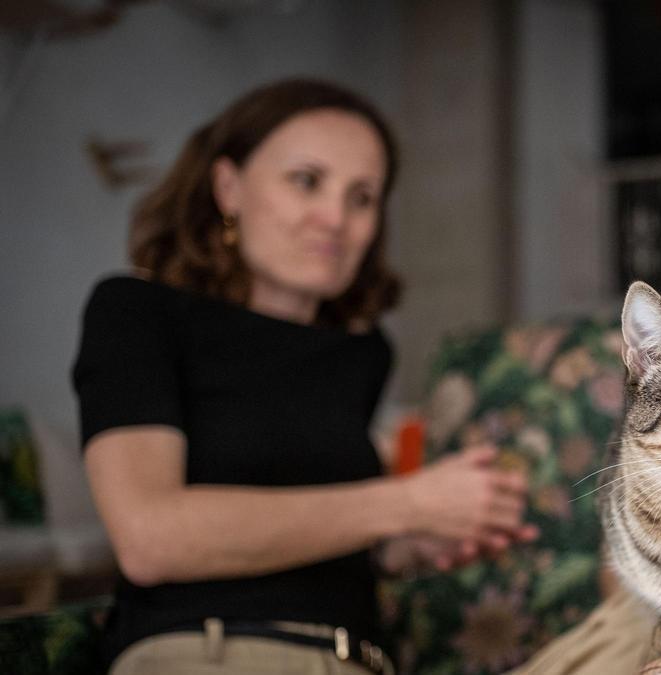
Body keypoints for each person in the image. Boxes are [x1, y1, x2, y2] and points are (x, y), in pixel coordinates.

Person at [72, 78, 536, 675]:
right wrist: (402, 503)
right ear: (228, 186)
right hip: (210, 651)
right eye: (307, 181)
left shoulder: (363, 354)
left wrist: (410, 541)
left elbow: (327, 528)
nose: (335, 218)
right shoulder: (137, 312)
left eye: (362, 196)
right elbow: (150, 538)